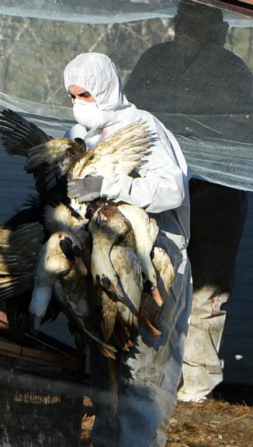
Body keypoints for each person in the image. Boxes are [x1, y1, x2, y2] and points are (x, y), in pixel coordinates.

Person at [125, 0, 252, 403]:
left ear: (220, 30)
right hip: (159, 197)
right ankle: (146, 383)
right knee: (153, 286)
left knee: (207, 295)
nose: (197, 30)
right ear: (178, 23)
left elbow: (243, 135)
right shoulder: (155, 60)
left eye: (207, 22)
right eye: (191, 21)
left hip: (217, 199)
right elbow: (130, 120)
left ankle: (196, 393)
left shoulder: (234, 73)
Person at [64, 52, 192, 447]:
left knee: (143, 386)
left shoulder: (143, 127)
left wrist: (112, 186)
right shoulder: (79, 135)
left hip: (155, 268)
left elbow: (172, 189)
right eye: (72, 96)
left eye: (84, 94)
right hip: (104, 273)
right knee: (107, 389)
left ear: (104, 89)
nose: (78, 103)